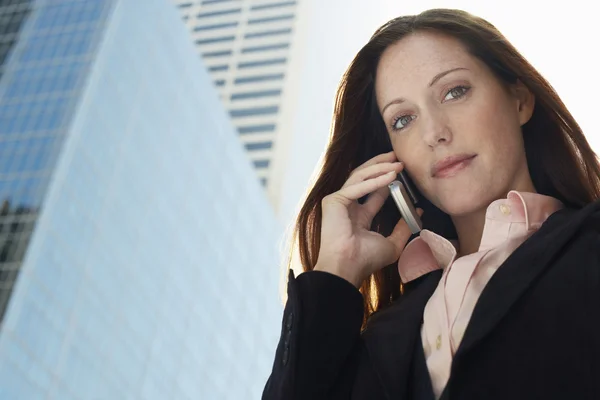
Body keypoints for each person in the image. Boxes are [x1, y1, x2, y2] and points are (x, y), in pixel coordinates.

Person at [262, 8, 600, 400]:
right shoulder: (383, 340)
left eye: (455, 92)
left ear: (520, 100)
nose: (435, 133)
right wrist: (337, 268)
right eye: (403, 119)